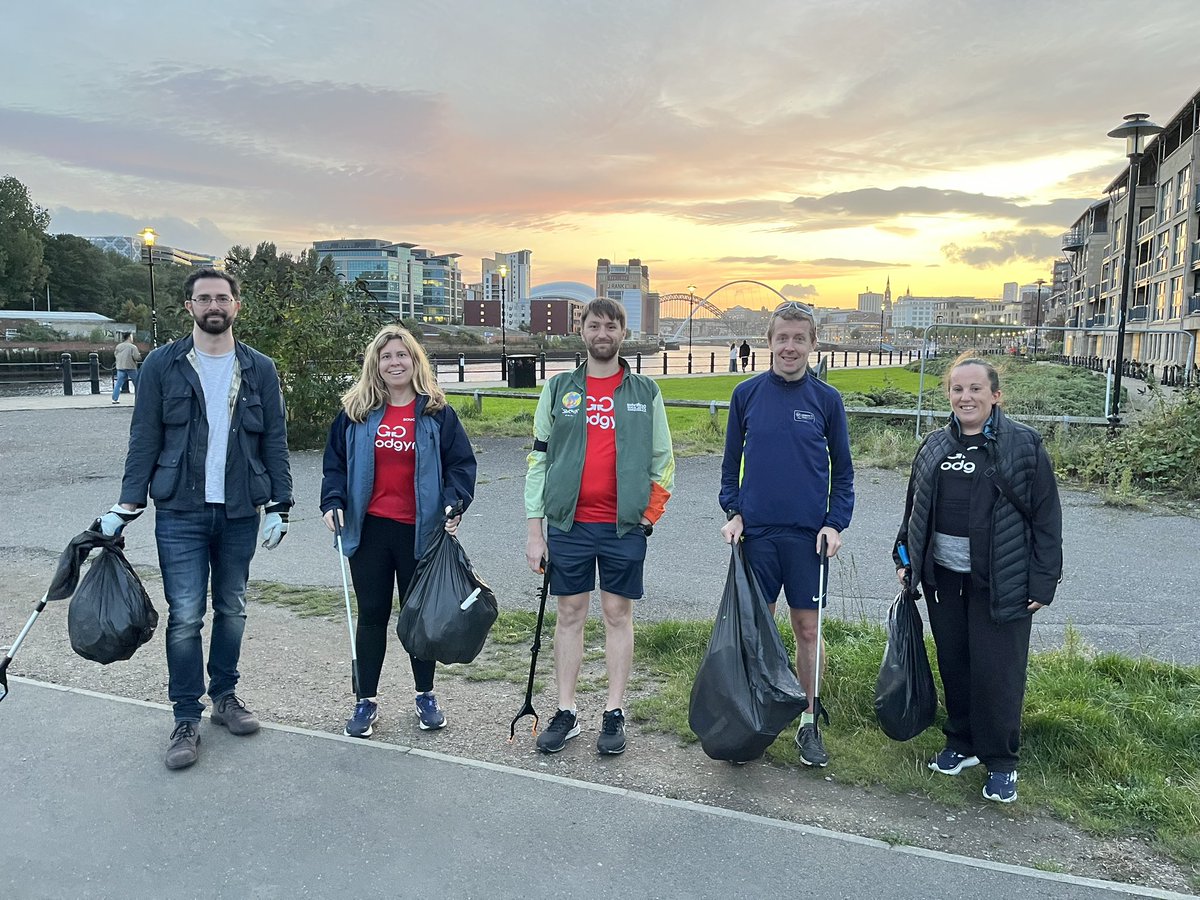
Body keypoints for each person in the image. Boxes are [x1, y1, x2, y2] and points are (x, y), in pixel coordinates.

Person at [97, 268, 292, 770]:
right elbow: (144, 438)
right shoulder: (162, 365)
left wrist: (280, 503)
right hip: (179, 511)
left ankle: (225, 696)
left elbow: (274, 440)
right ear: (189, 307)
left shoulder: (260, 369)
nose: (213, 305)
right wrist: (126, 504)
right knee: (185, 615)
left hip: (239, 510)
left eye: (222, 298)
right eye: (203, 298)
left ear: (236, 305)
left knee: (233, 607)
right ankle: (186, 715)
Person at [893, 354, 1062, 804]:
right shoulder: (933, 445)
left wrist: (1043, 581)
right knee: (955, 663)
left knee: (999, 672)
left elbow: (1047, 519)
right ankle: (961, 742)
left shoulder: (1023, 446)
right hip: (944, 580)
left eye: (975, 389)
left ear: (995, 395)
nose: (965, 397)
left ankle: (1002, 761)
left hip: (1003, 580)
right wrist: (905, 556)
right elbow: (915, 510)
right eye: (956, 389)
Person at [525, 297, 675, 756]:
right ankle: (566, 711)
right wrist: (536, 531)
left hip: (623, 527)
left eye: (611, 326)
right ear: (582, 331)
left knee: (617, 615)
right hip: (568, 525)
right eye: (594, 326)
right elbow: (539, 459)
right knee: (569, 614)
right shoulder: (558, 389)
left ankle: (613, 712)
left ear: (622, 334)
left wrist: (647, 518)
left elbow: (663, 462)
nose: (602, 334)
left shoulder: (645, 392)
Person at [320, 325, 476, 738]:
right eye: (386, 356)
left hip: (420, 534)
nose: (395, 363)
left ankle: (425, 695)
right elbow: (334, 463)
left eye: (402, 356)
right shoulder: (356, 411)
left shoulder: (436, 413)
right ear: (376, 363)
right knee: (371, 616)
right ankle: (365, 701)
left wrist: (455, 501)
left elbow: (461, 465)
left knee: (418, 618)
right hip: (368, 532)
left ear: (415, 361)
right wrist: (331, 501)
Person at [719, 300, 854, 767]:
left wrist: (835, 523)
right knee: (758, 632)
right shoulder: (747, 394)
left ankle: (808, 720)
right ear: (769, 341)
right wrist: (733, 512)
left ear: (813, 344)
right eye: (783, 338)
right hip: (756, 534)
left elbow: (845, 475)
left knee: (807, 629)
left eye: (800, 338)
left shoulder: (827, 401)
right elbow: (729, 466)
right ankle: (755, 717)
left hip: (808, 539)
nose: (790, 346)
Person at [111, 332, 142, 403]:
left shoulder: (118, 346)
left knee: (119, 383)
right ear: (129, 337)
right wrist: (139, 356)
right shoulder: (133, 347)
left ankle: (114, 399)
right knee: (137, 383)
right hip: (130, 367)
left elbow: (115, 355)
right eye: (132, 337)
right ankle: (138, 399)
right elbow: (136, 357)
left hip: (120, 367)